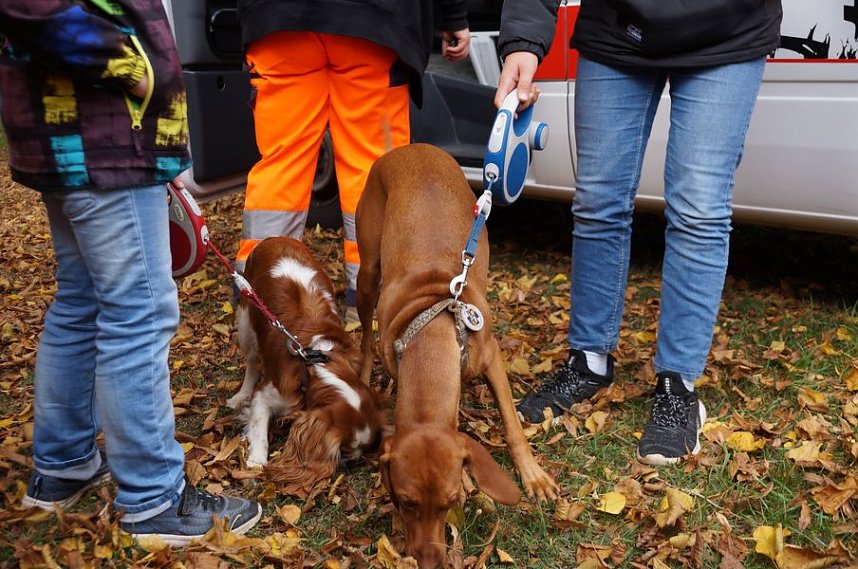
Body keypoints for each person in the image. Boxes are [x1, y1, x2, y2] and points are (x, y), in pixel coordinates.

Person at [0, 1, 261, 544]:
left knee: (82, 301)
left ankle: (64, 465)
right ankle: (154, 499)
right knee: (137, 314)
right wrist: (131, 67)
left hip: (84, 138)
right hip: (106, 138)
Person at [496, 0, 783, 465]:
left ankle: (678, 386)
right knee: (598, 202)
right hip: (617, 28)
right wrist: (524, 43)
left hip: (728, 31)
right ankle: (588, 361)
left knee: (699, 211)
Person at [235, 0, 470, 322]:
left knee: (281, 166)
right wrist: (453, 16)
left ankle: (260, 301)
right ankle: (370, 306)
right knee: (370, 171)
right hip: (374, 24)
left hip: (279, 21)